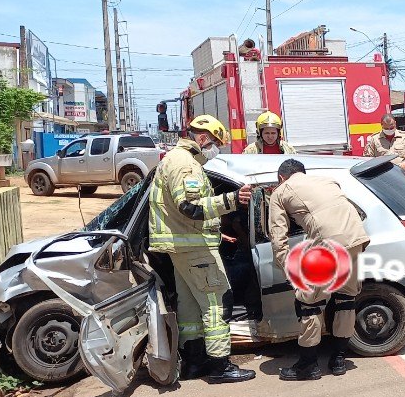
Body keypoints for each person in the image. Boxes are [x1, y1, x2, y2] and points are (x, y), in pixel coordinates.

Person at [148, 114, 256, 383]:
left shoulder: (175, 160)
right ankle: (220, 365)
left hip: (183, 246)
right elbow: (190, 207)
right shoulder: (186, 165)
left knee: (191, 309)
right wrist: (232, 199)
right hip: (193, 246)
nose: (215, 149)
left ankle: (194, 362)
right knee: (218, 302)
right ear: (203, 138)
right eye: (215, 143)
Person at [268, 159, 371, 381]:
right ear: (303, 173)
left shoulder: (280, 192)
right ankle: (339, 360)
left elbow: (278, 237)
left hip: (329, 246)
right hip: (356, 240)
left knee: (309, 303)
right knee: (346, 298)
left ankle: (307, 366)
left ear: (281, 178)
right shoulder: (328, 181)